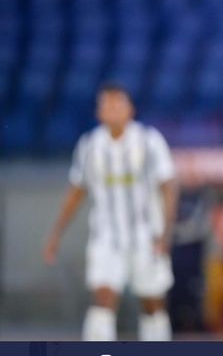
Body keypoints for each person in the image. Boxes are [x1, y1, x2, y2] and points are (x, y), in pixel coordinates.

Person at [44, 83, 177, 341]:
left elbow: (169, 185)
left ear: (131, 109)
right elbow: (76, 191)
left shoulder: (149, 141)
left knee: (151, 303)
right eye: (107, 104)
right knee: (103, 299)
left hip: (146, 236)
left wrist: (165, 232)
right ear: (98, 112)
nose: (113, 109)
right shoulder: (90, 146)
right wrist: (56, 233)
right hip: (106, 238)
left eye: (118, 103)